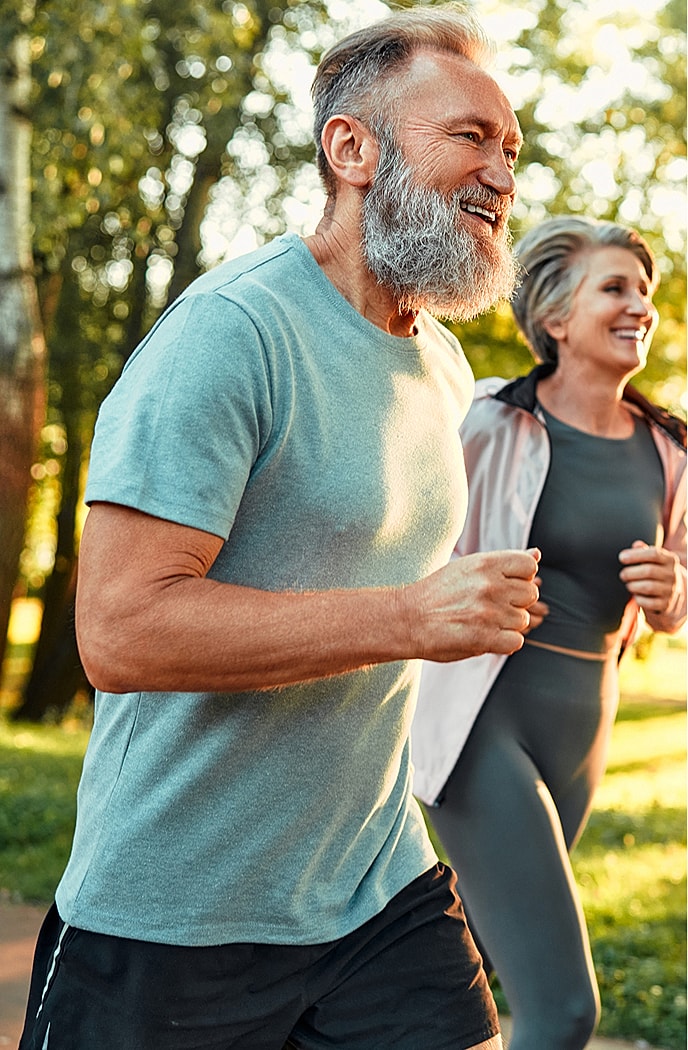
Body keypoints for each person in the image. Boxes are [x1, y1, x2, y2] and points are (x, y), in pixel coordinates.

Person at [19, 6, 541, 1049]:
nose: (502, 175)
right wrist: (406, 617)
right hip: (176, 910)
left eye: (513, 150)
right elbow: (120, 633)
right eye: (470, 137)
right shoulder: (232, 335)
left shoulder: (437, 364)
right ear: (351, 148)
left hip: (374, 883)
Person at [412, 215, 687, 1050]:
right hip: (483, 720)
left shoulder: (670, 449)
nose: (640, 303)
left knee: (473, 974)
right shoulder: (488, 419)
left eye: (645, 291)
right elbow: (410, 543)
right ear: (556, 318)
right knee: (563, 1007)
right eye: (615, 287)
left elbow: (680, 592)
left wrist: (674, 591)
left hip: (583, 725)